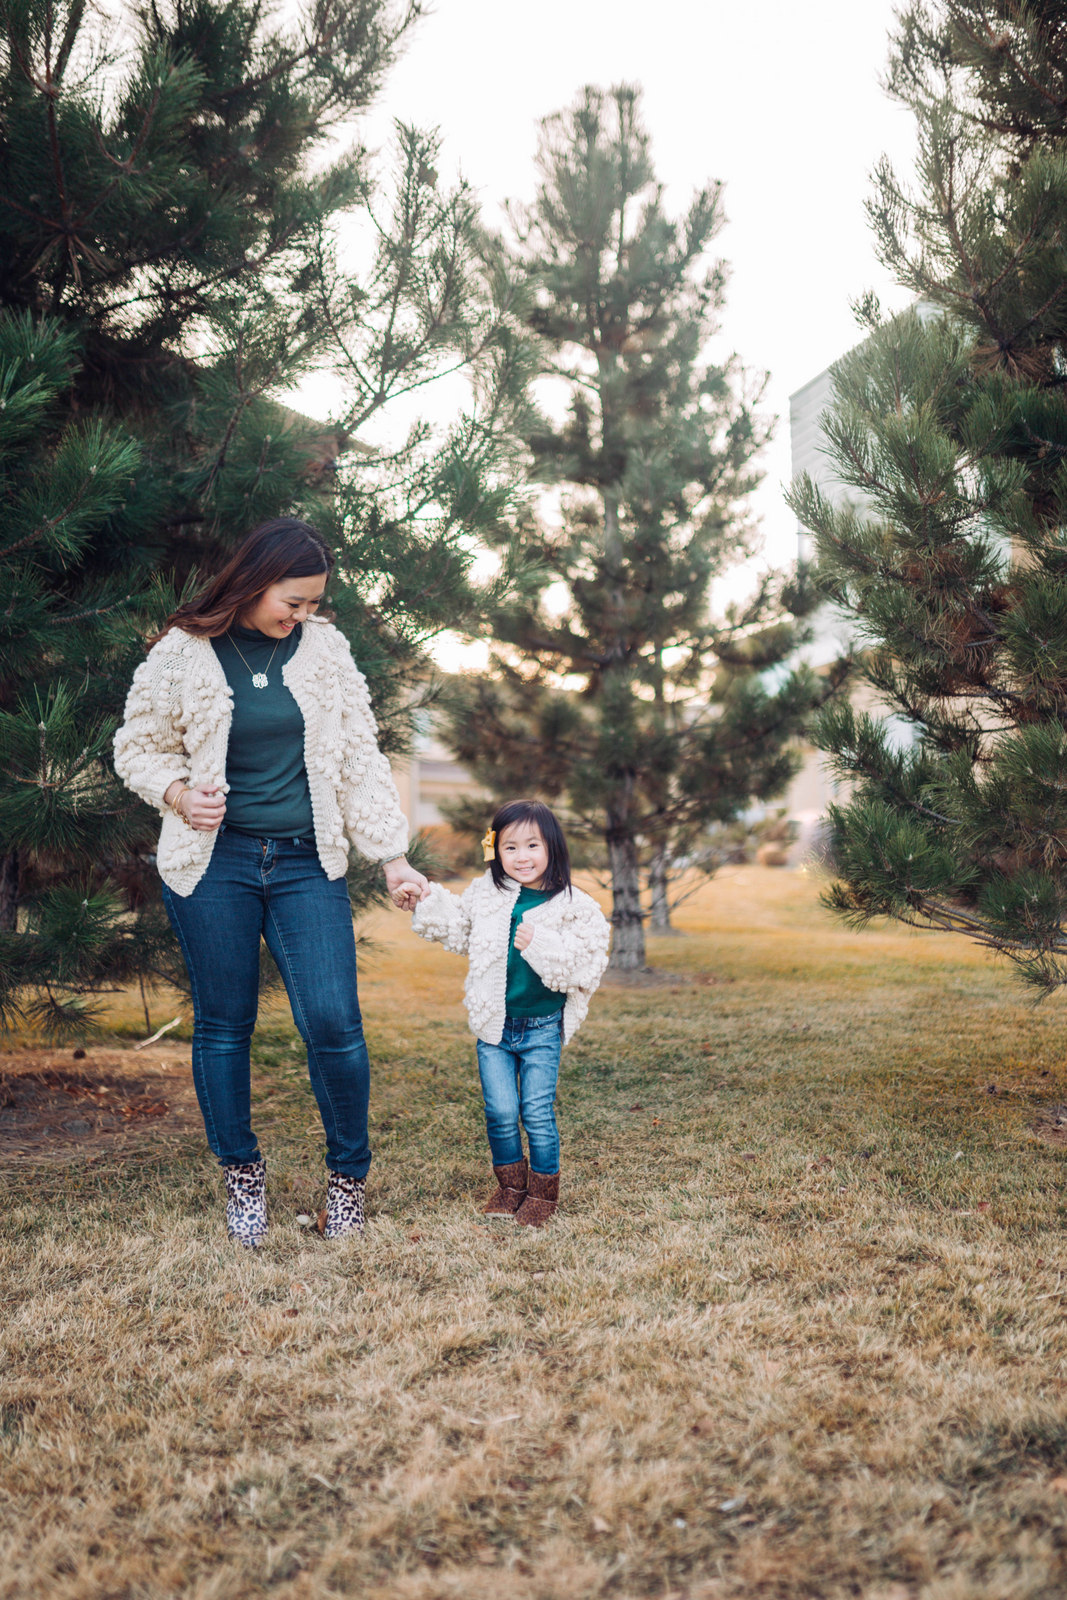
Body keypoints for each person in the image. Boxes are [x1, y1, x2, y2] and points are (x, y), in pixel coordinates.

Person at [113, 518, 428, 1246]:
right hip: (211, 863)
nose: (303, 616)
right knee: (224, 1026)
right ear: (254, 583)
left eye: (315, 604)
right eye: (294, 601)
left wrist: (391, 854)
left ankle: (347, 1181)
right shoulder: (183, 651)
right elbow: (136, 745)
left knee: (333, 1022)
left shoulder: (326, 652)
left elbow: (357, 755)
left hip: (302, 863)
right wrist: (176, 792)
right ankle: (242, 1179)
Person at [410, 799, 610, 1226]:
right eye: (511, 847)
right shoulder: (488, 894)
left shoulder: (574, 904)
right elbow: (460, 929)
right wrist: (426, 901)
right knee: (500, 1111)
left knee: (536, 1111)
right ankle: (509, 1187)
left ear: (552, 847)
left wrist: (537, 943)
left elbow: (585, 964)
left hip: (541, 1027)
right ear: (496, 851)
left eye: (533, 845)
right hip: (494, 1026)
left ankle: (542, 1192)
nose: (522, 857)